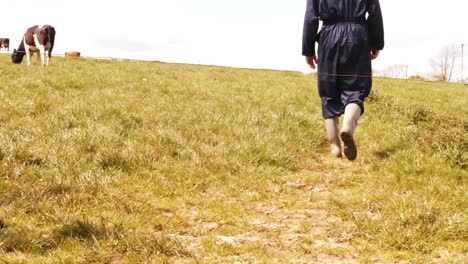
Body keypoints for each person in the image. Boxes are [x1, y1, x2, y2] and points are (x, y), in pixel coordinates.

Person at [302, 0, 384, 160]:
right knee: (356, 90)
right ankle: (348, 127)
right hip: (358, 38)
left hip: (328, 38)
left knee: (328, 93)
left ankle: (335, 147)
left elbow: (310, 18)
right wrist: (377, 43)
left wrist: (308, 49)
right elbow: (375, 14)